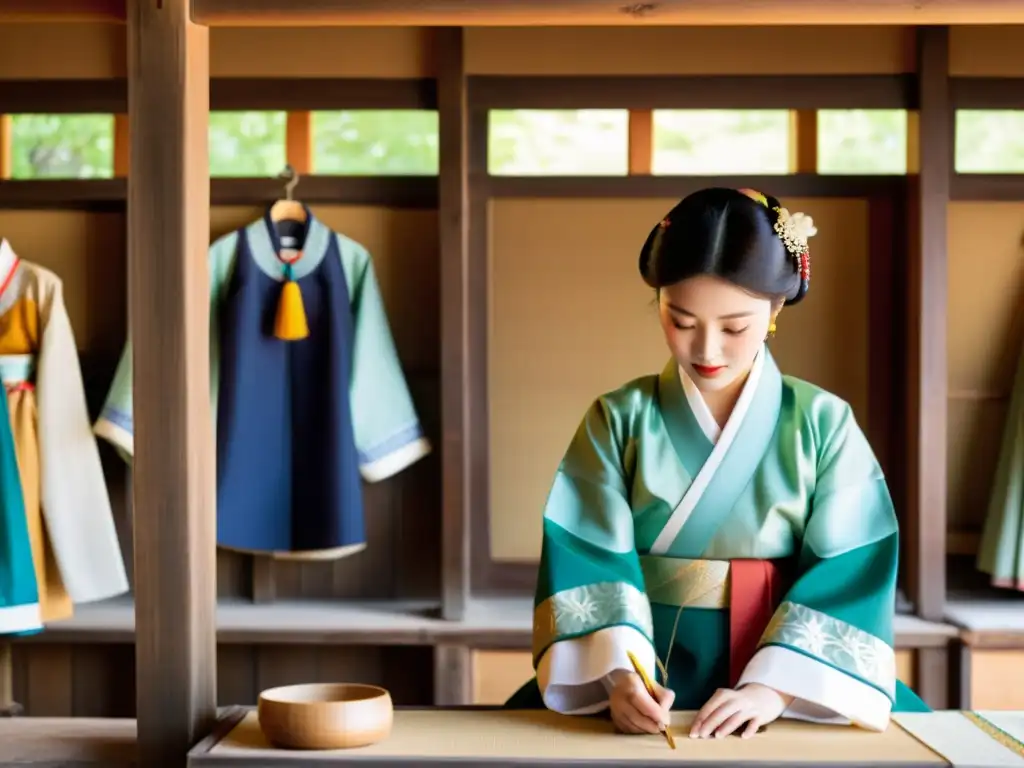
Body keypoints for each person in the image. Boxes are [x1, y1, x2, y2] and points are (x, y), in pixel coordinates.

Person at [503, 187, 930, 739]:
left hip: (788, 672)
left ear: (776, 309)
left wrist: (773, 687)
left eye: (734, 327)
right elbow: (585, 551)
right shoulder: (618, 418)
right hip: (646, 663)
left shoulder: (823, 422)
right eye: (681, 321)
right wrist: (617, 677)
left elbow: (852, 563)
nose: (707, 350)